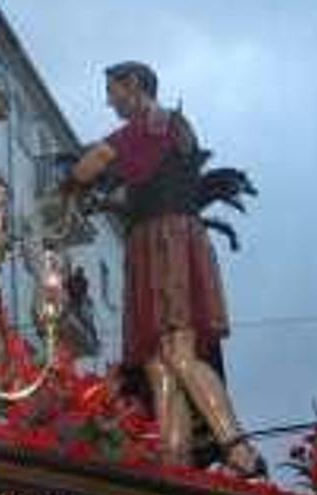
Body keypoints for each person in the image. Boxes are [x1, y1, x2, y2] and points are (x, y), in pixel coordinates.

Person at [63, 61, 264, 475]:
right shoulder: (156, 135)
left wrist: (67, 185)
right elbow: (138, 185)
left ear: (134, 85)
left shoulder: (157, 121)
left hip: (167, 241)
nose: (109, 100)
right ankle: (174, 458)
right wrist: (107, 200)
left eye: (113, 90)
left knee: (178, 351)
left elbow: (98, 158)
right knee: (156, 360)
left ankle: (238, 448)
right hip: (148, 241)